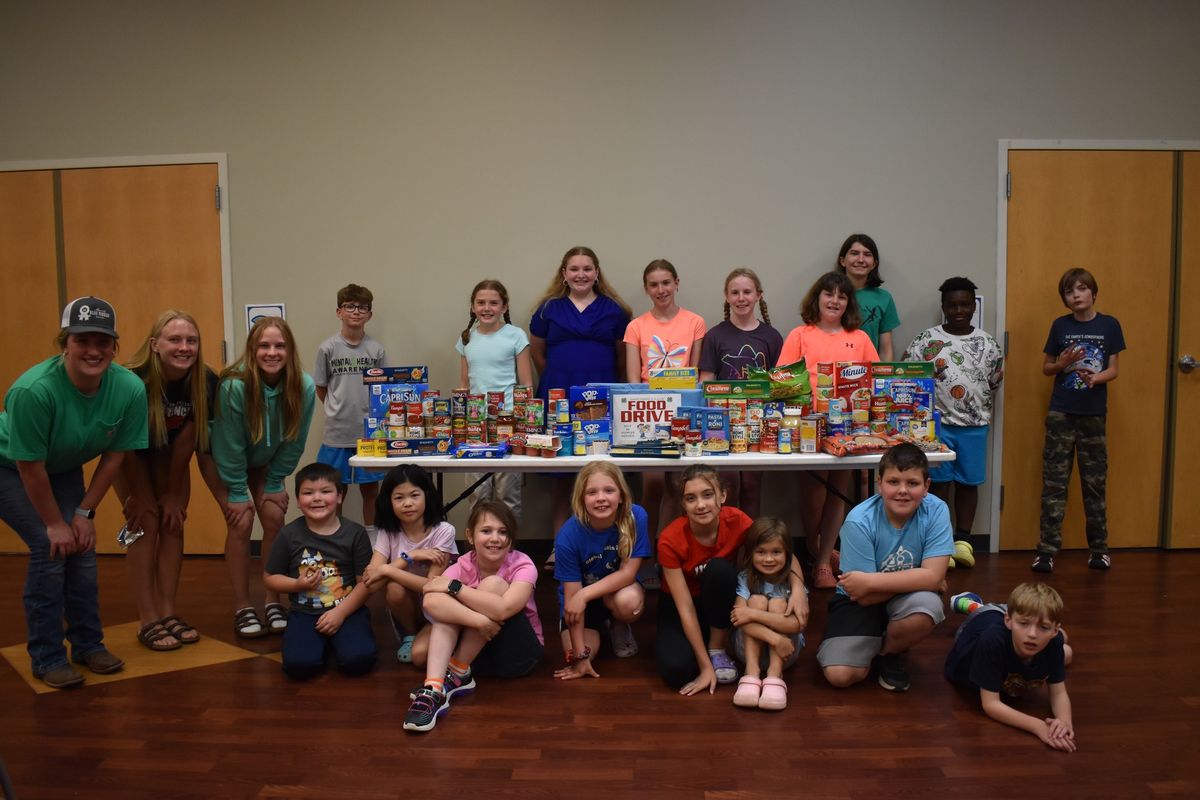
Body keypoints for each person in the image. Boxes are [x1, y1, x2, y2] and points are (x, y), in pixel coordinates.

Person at [0, 297, 147, 689]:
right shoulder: (33, 391)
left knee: (82, 549)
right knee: (49, 550)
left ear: (115, 347)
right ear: (65, 343)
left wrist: (84, 514)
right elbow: (29, 467)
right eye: (82, 340)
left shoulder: (129, 388)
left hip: (61, 468)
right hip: (11, 468)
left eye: (103, 341)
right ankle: (47, 657)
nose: (93, 350)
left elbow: (116, 456)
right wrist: (53, 523)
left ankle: (87, 645)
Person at [115, 310, 218, 651]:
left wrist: (173, 492)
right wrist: (142, 497)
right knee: (144, 524)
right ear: (155, 344)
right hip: (128, 456)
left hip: (168, 455)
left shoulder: (203, 380)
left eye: (191, 340)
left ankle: (167, 611)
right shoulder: (132, 381)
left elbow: (187, 438)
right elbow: (125, 446)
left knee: (173, 521)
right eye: (175, 340)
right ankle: (148, 619)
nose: (184, 347)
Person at [656, 465, 805, 696]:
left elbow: (781, 550)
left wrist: (798, 589)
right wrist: (705, 669)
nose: (701, 505)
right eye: (691, 498)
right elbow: (685, 608)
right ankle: (706, 652)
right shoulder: (669, 539)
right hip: (681, 605)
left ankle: (716, 648)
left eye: (708, 495)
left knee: (720, 570)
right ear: (683, 505)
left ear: (722, 496)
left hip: (719, 598)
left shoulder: (736, 520)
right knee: (676, 671)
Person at [816, 443, 952, 692]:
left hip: (899, 595)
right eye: (893, 482)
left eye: (912, 483)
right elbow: (862, 596)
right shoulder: (859, 520)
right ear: (880, 484)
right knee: (839, 676)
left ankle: (888, 653)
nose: (902, 491)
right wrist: (925, 578)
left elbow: (931, 577)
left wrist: (870, 581)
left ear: (927, 486)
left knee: (928, 607)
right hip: (858, 603)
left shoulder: (936, 510)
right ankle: (874, 640)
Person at [212, 317, 316, 638]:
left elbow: (294, 441)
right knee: (241, 522)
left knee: (273, 516)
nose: (272, 352)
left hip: (269, 463)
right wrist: (237, 491)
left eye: (280, 346)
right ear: (252, 350)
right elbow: (229, 444)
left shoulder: (304, 386)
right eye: (264, 346)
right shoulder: (234, 386)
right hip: (233, 460)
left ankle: (273, 598)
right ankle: (244, 605)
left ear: (290, 350)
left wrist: (274, 482)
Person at [403, 499, 544, 733]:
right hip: (478, 650)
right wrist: (478, 620)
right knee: (443, 613)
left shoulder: (523, 563)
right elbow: (430, 598)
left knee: (492, 585)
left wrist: (456, 588)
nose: (495, 538)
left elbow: (503, 610)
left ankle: (457, 671)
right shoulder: (463, 563)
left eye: (503, 532)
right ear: (470, 535)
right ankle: (434, 689)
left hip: (518, 654)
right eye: (486, 531)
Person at [777, 271, 880, 589]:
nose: (834, 300)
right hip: (809, 428)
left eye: (842, 296)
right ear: (817, 298)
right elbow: (781, 382)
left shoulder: (859, 337)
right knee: (813, 496)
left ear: (848, 303)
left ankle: (822, 563)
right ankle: (814, 547)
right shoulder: (799, 335)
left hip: (849, 428)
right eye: (828, 294)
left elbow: (874, 380)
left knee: (839, 492)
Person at [529, 246, 632, 542]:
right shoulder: (549, 309)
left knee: (603, 474)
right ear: (564, 274)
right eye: (574, 269)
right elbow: (538, 353)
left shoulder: (614, 310)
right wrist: (559, 378)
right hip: (559, 395)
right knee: (562, 474)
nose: (581, 274)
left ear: (597, 273)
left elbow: (622, 358)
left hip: (600, 395)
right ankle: (561, 546)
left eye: (587, 268)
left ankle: (606, 546)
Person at [902, 277, 1003, 570]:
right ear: (943, 307)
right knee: (939, 484)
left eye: (964, 304)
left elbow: (995, 380)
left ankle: (963, 541)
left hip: (974, 425)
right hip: (936, 427)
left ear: (973, 306)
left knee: (969, 484)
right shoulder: (925, 340)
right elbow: (910, 376)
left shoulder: (987, 343)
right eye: (952, 305)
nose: (958, 310)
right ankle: (939, 543)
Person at [1034, 268, 1124, 573]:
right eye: (1069, 291)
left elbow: (1113, 369)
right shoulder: (1060, 326)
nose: (1076, 295)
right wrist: (1063, 363)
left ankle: (1099, 549)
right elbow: (1047, 368)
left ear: (1093, 293)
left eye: (1082, 289)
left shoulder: (1109, 325)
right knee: (1054, 484)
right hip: (1061, 412)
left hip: (1093, 415)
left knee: (1094, 483)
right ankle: (1046, 551)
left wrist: (1094, 378)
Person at [263, 462, 376, 680]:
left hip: (347, 610)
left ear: (340, 496)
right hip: (304, 613)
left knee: (359, 662)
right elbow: (270, 578)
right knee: (299, 668)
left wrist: (340, 613)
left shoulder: (355, 533)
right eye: (308, 493)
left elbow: (366, 584)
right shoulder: (289, 534)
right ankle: (320, 644)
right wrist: (297, 585)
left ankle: (339, 640)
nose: (317, 498)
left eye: (326, 491)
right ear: (298, 500)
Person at [624, 259, 706, 553]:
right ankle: (644, 553)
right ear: (646, 289)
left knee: (678, 486)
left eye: (666, 283)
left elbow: (695, 374)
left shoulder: (695, 322)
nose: (661, 290)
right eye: (654, 285)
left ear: (676, 283)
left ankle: (669, 553)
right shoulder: (636, 326)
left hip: (683, 412)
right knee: (654, 485)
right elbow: (634, 380)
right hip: (648, 412)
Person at [945, 583, 1075, 751]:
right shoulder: (991, 641)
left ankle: (1034, 622)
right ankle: (973, 604)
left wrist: (1064, 723)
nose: (1032, 634)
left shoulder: (1052, 639)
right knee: (991, 613)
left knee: (1067, 652)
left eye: (1043, 627)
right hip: (980, 623)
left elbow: (1059, 693)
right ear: (1008, 621)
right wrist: (1039, 726)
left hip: (1015, 624)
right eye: (1024, 624)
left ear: (1054, 630)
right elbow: (991, 705)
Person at [698, 268, 783, 518]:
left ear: (758, 295)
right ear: (726, 296)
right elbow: (707, 383)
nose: (741, 297)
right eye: (735, 292)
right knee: (728, 486)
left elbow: (780, 385)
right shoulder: (715, 335)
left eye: (747, 291)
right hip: (723, 424)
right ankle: (731, 545)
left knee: (752, 486)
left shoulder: (772, 336)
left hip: (759, 423)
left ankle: (751, 547)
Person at [553, 462, 650, 679]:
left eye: (609, 490)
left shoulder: (636, 517)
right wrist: (580, 658)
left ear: (622, 495)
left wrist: (583, 594)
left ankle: (619, 623)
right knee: (582, 653)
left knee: (629, 602)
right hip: (579, 603)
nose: (601, 498)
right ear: (581, 499)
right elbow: (572, 603)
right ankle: (599, 627)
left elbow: (627, 574)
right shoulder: (567, 537)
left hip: (614, 592)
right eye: (591, 492)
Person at [361, 463, 457, 663]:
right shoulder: (388, 531)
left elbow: (432, 586)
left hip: (438, 603)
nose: (407, 503)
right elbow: (372, 581)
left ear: (427, 495)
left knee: (420, 659)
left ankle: (440, 633)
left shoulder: (443, 531)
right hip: (408, 607)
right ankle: (410, 635)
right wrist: (410, 556)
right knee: (394, 588)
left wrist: (388, 568)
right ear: (388, 501)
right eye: (399, 497)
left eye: (414, 495)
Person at [456, 279, 534, 519]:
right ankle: (478, 553)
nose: (486, 308)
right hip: (476, 425)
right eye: (481, 303)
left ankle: (509, 552)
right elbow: (465, 385)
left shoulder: (516, 336)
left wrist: (527, 424)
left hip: (508, 422)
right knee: (477, 492)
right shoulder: (467, 338)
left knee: (506, 493)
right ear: (472, 307)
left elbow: (526, 384)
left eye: (493, 303)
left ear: (504, 306)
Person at [313, 284, 387, 533]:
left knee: (371, 491)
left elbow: (384, 389)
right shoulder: (328, 348)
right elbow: (321, 387)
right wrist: (335, 410)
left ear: (369, 314)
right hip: (337, 434)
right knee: (335, 490)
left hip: (369, 432)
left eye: (362, 307)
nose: (356, 312)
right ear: (339, 312)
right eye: (350, 306)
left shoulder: (376, 349)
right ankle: (336, 538)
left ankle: (373, 541)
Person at [730, 518, 807, 711]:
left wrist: (753, 615)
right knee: (757, 600)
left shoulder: (792, 584)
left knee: (778, 603)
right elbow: (739, 618)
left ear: (787, 554)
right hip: (749, 652)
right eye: (761, 552)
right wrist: (775, 639)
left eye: (776, 552)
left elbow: (797, 625)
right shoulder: (746, 578)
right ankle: (752, 673)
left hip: (786, 652)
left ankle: (774, 674)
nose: (769, 559)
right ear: (750, 554)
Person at [835, 233, 899, 360]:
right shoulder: (829, 296)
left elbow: (886, 350)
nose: (860, 259)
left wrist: (883, 377)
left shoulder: (884, 298)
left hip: (868, 373)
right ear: (843, 261)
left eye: (867, 254)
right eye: (854, 253)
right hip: (831, 372)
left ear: (874, 264)